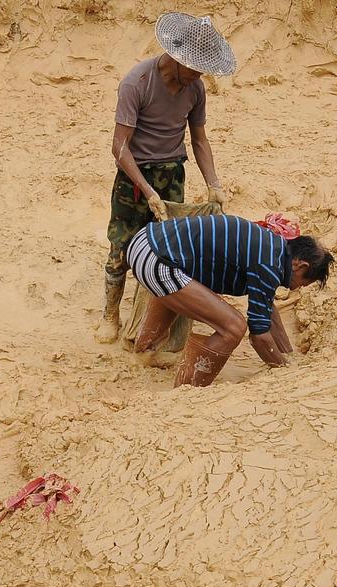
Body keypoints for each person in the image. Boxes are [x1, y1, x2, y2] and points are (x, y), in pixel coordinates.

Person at [97, 12, 238, 345]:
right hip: (135, 177)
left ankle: (152, 322)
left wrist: (213, 184)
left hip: (173, 172)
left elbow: (199, 140)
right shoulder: (138, 82)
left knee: (170, 251)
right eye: (193, 67)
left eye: (202, 69)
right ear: (177, 57)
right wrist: (147, 191)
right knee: (122, 245)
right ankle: (110, 314)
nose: (197, 75)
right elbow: (119, 147)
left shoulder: (195, 89)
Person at [129, 213, 334, 386]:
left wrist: (289, 354)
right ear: (301, 266)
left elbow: (267, 310)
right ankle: (187, 390)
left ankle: (146, 351)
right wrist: (284, 370)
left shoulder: (272, 248)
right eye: (303, 283)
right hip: (156, 260)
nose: (298, 288)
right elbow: (259, 336)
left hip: (146, 243)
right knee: (234, 327)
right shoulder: (271, 264)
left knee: (176, 286)